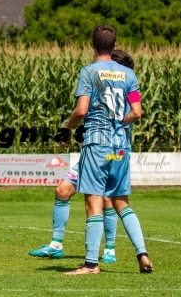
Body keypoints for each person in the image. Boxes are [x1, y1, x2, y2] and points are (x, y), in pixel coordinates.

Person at [29, 50, 135, 263]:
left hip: (109, 152)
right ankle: (56, 245)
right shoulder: (104, 92)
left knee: (106, 199)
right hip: (93, 150)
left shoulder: (123, 96)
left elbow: (108, 120)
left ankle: (109, 250)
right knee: (62, 190)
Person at [62, 26, 152, 275]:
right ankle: (142, 253)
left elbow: (81, 110)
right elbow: (136, 112)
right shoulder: (129, 74)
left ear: (92, 44)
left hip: (97, 143)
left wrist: (67, 129)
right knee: (121, 202)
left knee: (94, 203)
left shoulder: (89, 72)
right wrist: (118, 124)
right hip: (120, 147)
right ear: (114, 45)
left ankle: (91, 264)